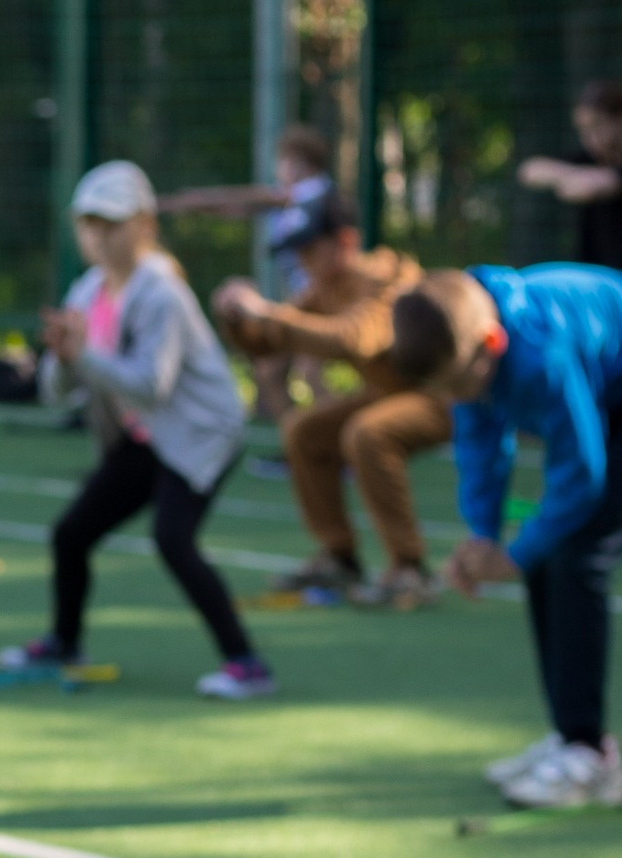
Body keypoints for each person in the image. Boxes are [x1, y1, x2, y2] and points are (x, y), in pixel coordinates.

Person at [1, 160, 273, 697]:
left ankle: (247, 664)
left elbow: (152, 385)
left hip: (200, 434)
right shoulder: (87, 292)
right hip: (147, 436)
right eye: (89, 224)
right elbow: (56, 393)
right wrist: (61, 357)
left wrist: (84, 355)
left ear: (144, 225)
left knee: (173, 539)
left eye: (112, 223)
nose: (99, 237)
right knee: (71, 533)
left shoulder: (161, 293)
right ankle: (63, 642)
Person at [386, 263, 622, 810]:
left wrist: (515, 557)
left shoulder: (540, 356)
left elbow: (583, 473)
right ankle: (573, 737)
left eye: (458, 385)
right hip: (604, 397)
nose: (456, 397)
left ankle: (588, 755)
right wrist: (482, 538)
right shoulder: (469, 348)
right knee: (552, 553)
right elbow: (480, 448)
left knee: (577, 558)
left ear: (491, 344)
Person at [212, 202, 445, 606]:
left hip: (444, 395)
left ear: (345, 242)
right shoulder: (326, 285)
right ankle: (340, 558)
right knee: (304, 431)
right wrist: (237, 318)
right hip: (390, 394)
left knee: (369, 433)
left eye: (309, 250)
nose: (302, 261)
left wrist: (266, 311)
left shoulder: (387, 279)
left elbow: (353, 337)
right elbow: (267, 342)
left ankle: (410, 569)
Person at [160, 126, 343, 437]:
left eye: (284, 161)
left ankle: (342, 446)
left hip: (326, 300)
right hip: (302, 301)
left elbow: (254, 200)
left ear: (301, 163)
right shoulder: (294, 198)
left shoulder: (318, 196)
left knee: (310, 373)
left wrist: (196, 201)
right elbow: (242, 203)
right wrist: (195, 203)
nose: (280, 170)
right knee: (271, 371)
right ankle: (302, 449)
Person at [517, 81, 622, 277]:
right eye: (583, 129)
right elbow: (529, 171)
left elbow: (587, 188)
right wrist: (574, 175)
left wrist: (573, 179)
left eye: (597, 125)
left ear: (618, 119)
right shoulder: (588, 159)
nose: (589, 136)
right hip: (593, 273)